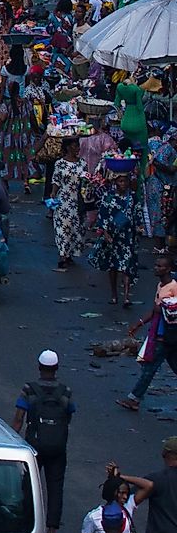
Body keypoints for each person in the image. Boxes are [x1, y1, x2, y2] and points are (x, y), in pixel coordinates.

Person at [13, 350, 75, 533]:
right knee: (55, 488)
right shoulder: (65, 391)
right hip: (57, 447)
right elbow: (69, 415)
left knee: (28, 485)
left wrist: (12, 439)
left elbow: (18, 418)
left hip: (34, 446)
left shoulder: (29, 389)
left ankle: (25, 524)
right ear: (56, 368)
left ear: (39, 367)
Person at [120, 254, 177, 411]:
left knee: (149, 367)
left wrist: (164, 308)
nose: (156, 268)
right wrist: (138, 324)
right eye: (156, 265)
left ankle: (134, 398)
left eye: (160, 266)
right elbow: (155, 310)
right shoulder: (161, 286)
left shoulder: (173, 288)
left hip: (166, 335)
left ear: (169, 269)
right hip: (165, 334)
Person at [91, 172, 142, 306]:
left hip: (128, 235)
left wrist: (139, 227)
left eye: (125, 181)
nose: (123, 184)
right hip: (113, 236)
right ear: (115, 182)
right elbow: (103, 214)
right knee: (112, 265)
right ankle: (114, 295)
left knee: (127, 265)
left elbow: (137, 212)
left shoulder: (132, 197)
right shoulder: (109, 196)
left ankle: (126, 296)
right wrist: (105, 233)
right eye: (120, 181)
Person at [68, 471, 143, 533]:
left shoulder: (128, 507)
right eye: (122, 493)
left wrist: (120, 477)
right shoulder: (94, 516)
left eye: (126, 493)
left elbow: (148, 486)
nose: (125, 497)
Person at [53, 136, 89, 270]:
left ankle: (70, 255)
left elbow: (86, 182)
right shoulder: (59, 164)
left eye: (78, 146)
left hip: (78, 200)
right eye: (75, 146)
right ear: (68, 147)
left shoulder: (83, 163)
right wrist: (52, 196)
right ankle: (63, 255)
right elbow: (56, 181)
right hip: (64, 201)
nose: (78, 148)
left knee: (77, 229)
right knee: (63, 228)